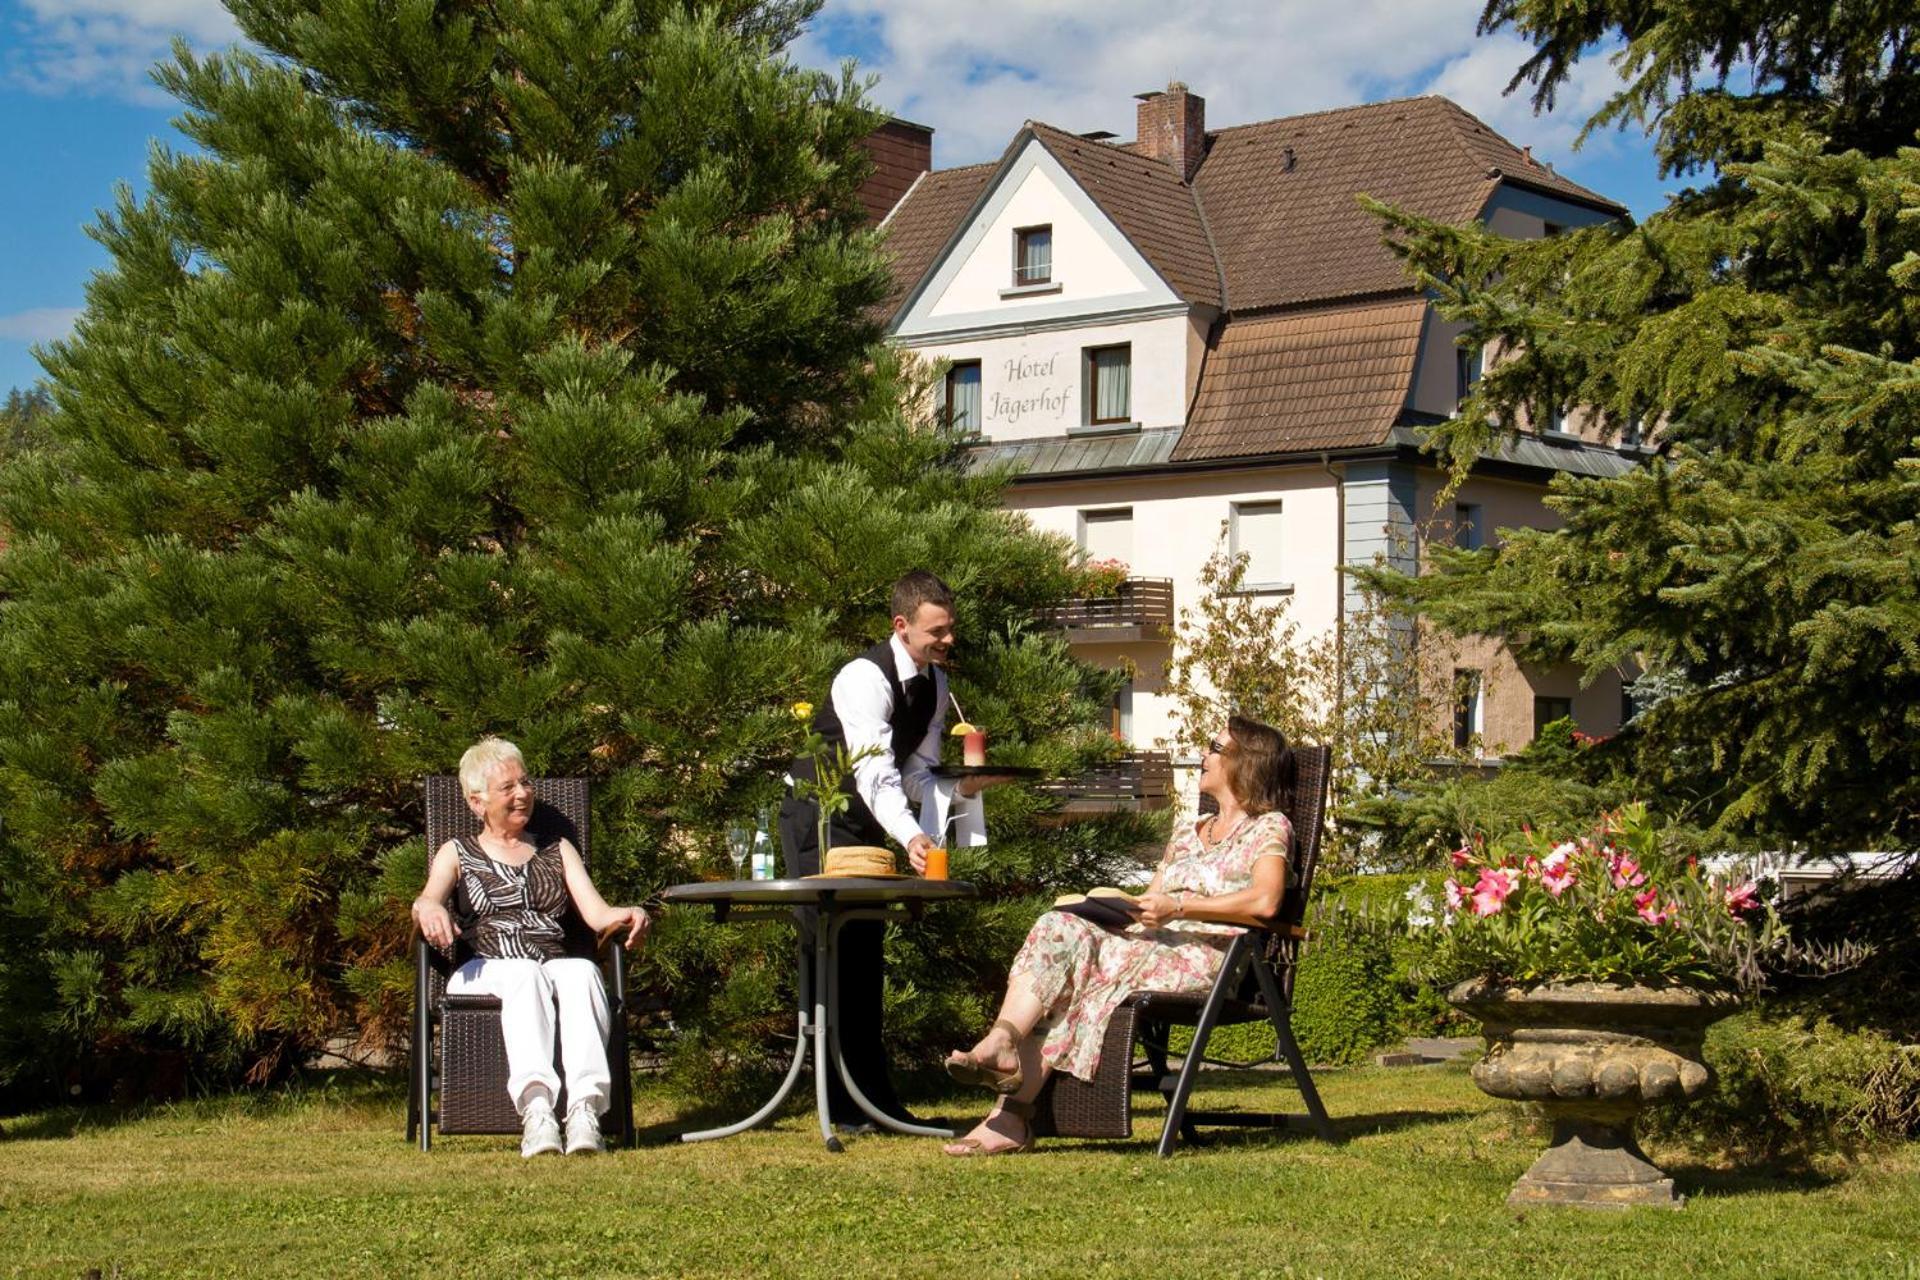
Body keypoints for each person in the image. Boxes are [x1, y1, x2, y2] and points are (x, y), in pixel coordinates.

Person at [939, 714, 1294, 1155]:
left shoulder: (1269, 827)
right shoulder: (1187, 831)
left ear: (1247, 763)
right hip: (1151, 944)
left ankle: (1008, 1117)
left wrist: (1179, 908)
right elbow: (1153, 900)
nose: (1203, 756)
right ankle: (1003, 1039)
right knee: (1059, 926)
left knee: (1084, 971)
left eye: (1214, 748)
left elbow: (1265, 902)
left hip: (1208, 955)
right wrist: (1120, 909)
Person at [779, 569, 984, 1126]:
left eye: (950, 629)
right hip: (820, 819)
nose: (947, 640)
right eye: (936, 631)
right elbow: (873, 774)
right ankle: (838, 1103)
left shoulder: (937, 684)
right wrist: (913, 834)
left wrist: (959, 790)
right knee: (828, 953)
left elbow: (914, 771)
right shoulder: (861, 677)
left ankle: (873, 1098)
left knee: (865, 954)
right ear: (902, 625)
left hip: (872, 824)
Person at [412, 737, 651, 1158]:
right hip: (483, 968)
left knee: (581, 971)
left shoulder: (558, 851)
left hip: (549, 965)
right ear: (476, 801)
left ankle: (583, 1111)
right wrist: (428, 908)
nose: (522, 794)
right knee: (524, 973)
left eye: (524, 783)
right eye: (508, 788)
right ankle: (537, 1111)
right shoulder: (457, 852)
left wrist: (629, 913)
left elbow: (597, 915)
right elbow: (429, 898)